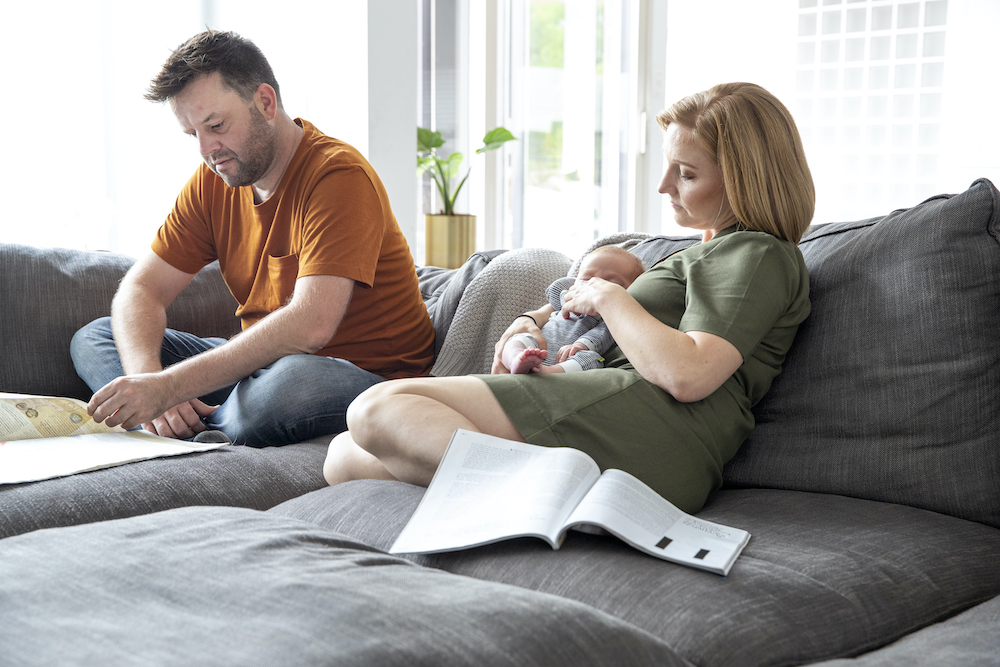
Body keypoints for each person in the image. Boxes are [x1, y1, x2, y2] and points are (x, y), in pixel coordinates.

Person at [322, 82, 814, 514]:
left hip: (654, 425)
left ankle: (548, 494)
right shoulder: (699, 252)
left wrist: (606, 296)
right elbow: (592, 307)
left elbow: (689, 374)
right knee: (344, 457)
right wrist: (529, 320)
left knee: (376, 409)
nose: (664, 185)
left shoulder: (758, 252)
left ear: (746, 179)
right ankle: (538, 494)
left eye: (685, 173)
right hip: (608, 403)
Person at [71, 30, 435, 447]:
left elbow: (311, 326)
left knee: (291, 382)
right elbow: (140, 289)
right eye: (194, 135)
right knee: (96, 337)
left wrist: (171, 389)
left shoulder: (337, 176)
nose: (208, 150)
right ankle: (197, 425)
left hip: (364, 378)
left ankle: (194, 430)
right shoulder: (213, 182)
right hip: (263, 370)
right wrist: (153, 381)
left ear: (265, 102)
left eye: (217, 126)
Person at [501, 246, 645, 374]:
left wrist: (581, 345)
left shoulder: (612, 316)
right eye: (587, 278)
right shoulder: (569, 298)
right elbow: (553, 292)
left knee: (593, 360)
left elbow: (604, 334)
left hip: (569, 357)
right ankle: (517, 359)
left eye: (610, 283)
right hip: (537, 346)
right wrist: (572, 288)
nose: (593, 285)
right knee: (519, 339)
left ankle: (548, 371)